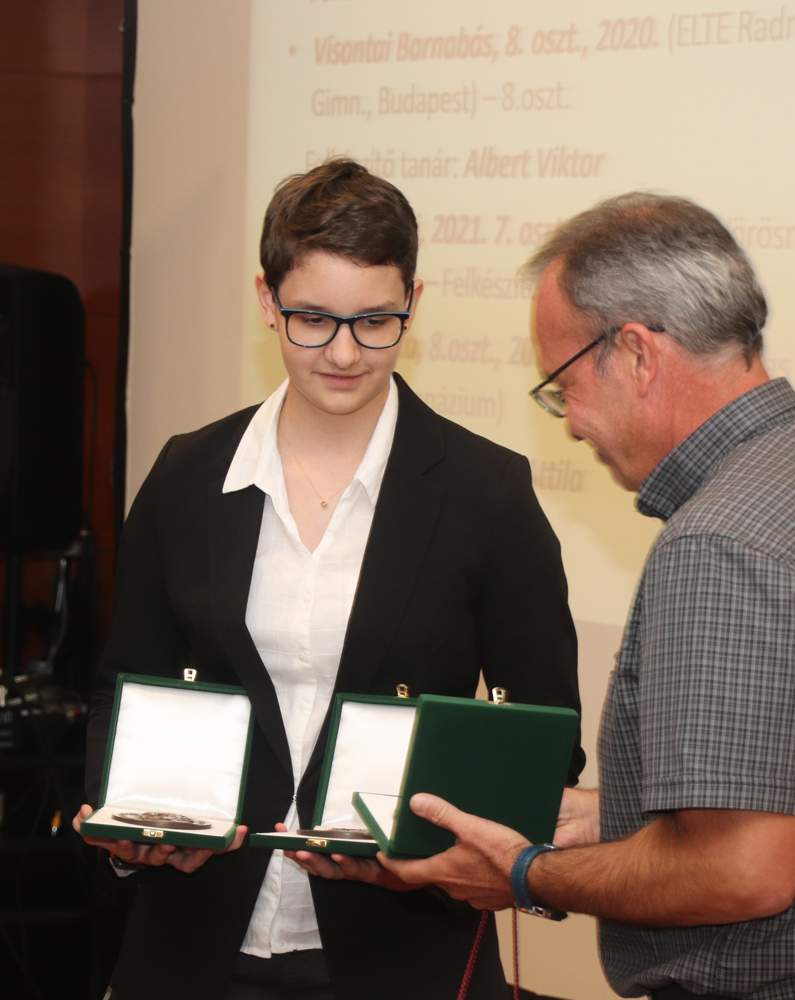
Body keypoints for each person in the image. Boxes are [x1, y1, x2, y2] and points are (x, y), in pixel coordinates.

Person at [374, 193, 795, 1000]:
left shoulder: (720, 543)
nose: (568, 425)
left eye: (563, 385)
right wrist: (612, 816)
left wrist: (526, 872)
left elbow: (740, 872)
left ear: (637, 354)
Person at [73, 158, 583, 1000]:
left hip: (405, 953)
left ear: (414, 301)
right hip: (193, 943)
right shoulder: (188, 475)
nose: (344, 352)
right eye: (312, 319)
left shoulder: (485, 492)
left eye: (375, 321)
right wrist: (128, 822)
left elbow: (540, 735)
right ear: (266, 300)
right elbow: (120, 688)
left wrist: (447, 852)